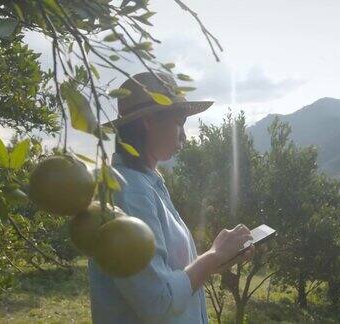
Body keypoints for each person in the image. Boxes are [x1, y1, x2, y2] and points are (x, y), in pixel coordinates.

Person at [88, 71, 255, 324]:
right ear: (148, 121)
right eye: (179, 122)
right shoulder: (129, 191)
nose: (184, 136)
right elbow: (158, 301)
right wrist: (213, 256)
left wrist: (216, 259)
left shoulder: (148, 185)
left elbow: (169, 277)